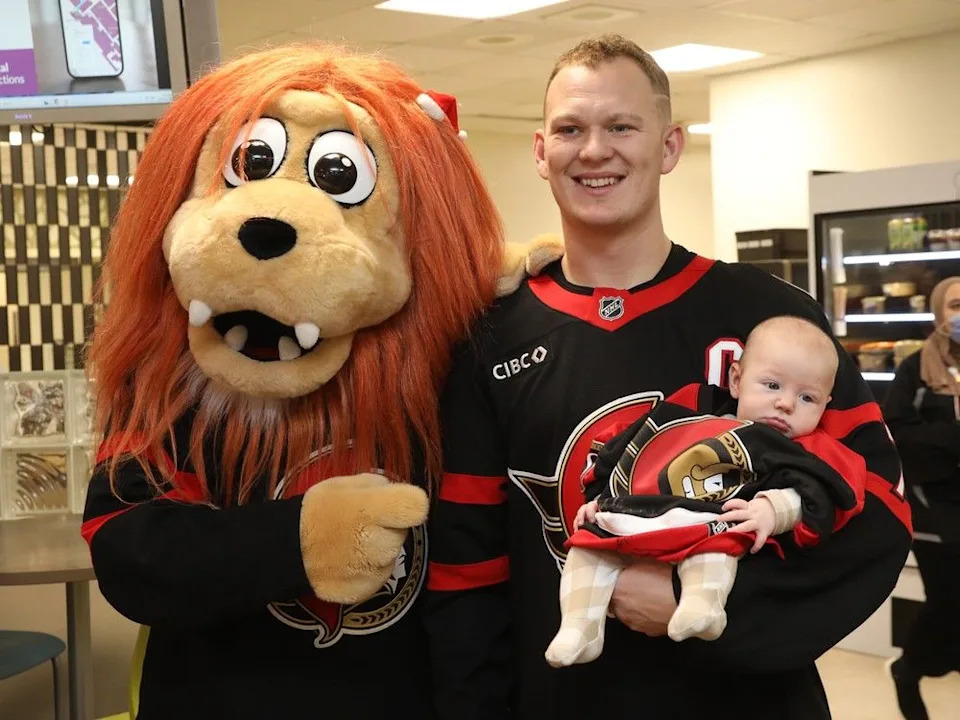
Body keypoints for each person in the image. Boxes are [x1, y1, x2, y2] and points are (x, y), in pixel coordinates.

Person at [424, 34, 912, 719]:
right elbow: (464, 571)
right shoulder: (487, 337)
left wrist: (707, 605)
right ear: (541, 151)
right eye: (570, 129)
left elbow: (878, 512)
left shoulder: (771, 316)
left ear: (670, 146)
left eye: (622, 126)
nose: (595, 150)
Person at [545, 316, 866, 667]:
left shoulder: (803, 450)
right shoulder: (688, 416)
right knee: (588, 550)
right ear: (736, 380)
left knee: (718, 549)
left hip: (710, 529)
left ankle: (701, 608)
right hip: (640, 514)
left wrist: (772, 510)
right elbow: (626, 450)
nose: (786, 404)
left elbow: (821, 493)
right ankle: (579, 628)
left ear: (825, 405)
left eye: (807, 397)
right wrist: (600, 499)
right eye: (772, 385)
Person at [882, 276, 960, 720]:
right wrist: (954, 437)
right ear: (938, 312)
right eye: (955, 305)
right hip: (933, 509)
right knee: (948, 600)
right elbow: (898, 433)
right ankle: (910, 667)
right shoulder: (916, 368)